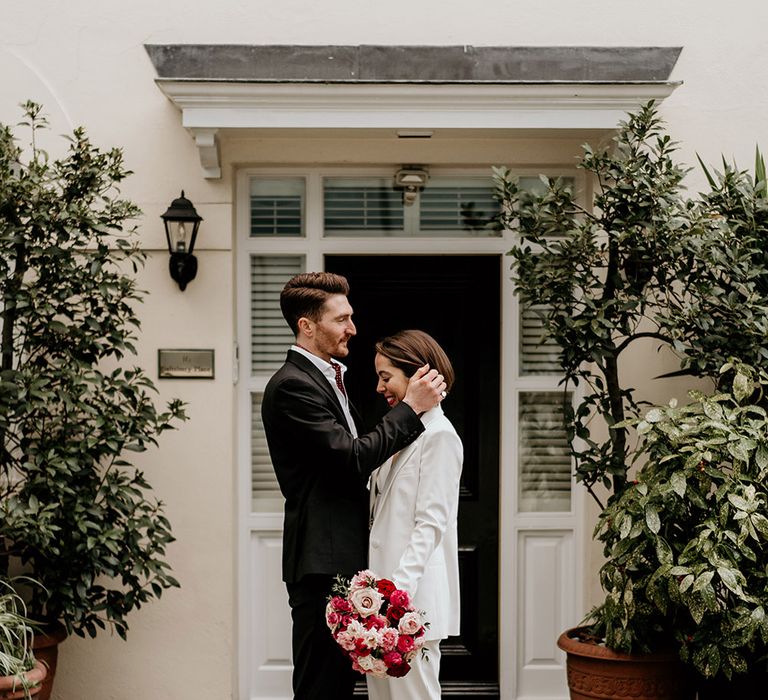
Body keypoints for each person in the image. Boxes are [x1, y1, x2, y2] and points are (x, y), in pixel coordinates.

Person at [261, 273, 446, 700]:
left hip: (343, 558)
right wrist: (414, 409)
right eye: (341, 319)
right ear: (307, 325)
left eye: (351, 317)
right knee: (321, 687)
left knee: (338, 687)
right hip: (322, 559)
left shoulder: (328, 379)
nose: (352, 328)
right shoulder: (292, 386)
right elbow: (352, 459)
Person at [367, 330, 463, 700]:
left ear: (417, 375)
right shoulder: (402, 432)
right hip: (378, 604)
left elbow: (431, 524)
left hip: (410, 606)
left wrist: (396, 596)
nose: (379, 387)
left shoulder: (440, 436)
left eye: (386, 376)